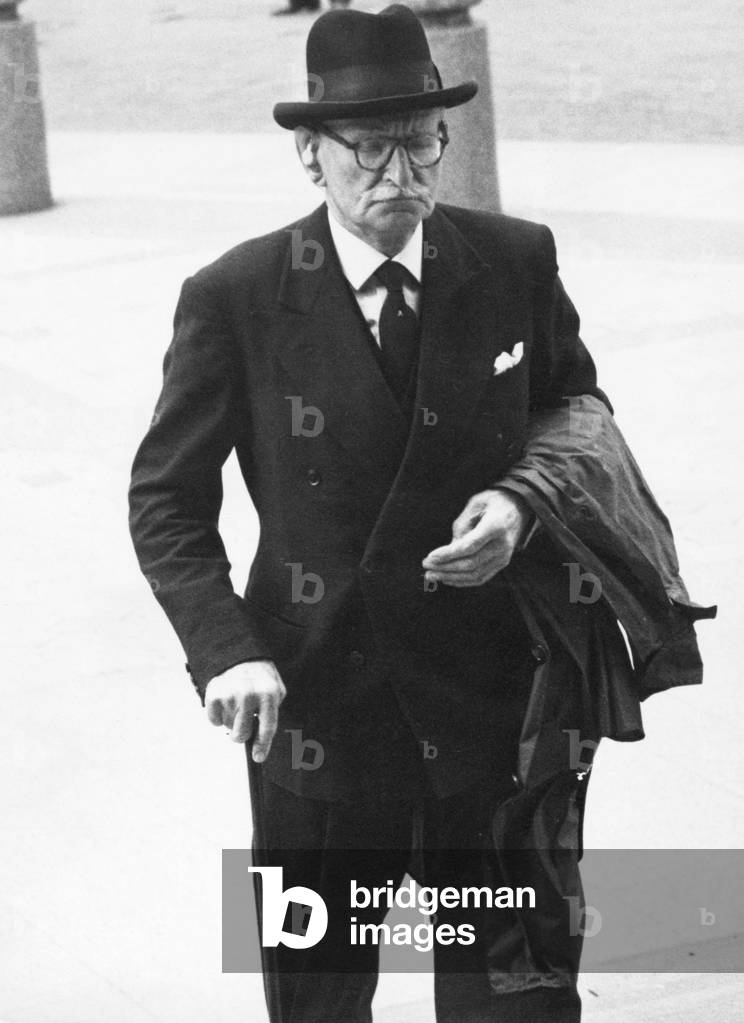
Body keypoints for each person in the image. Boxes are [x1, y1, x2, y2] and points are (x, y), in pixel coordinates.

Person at [128, 5, 712, 1021]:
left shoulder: (513, 259)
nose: (403, 175)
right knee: (319, 997)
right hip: (319, 709)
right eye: (370, 150)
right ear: (310, 155)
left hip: (497, 703)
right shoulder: (237, 294)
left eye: (422, 142)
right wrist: (227, 652)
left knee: (516, 994)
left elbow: (577, 412)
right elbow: (166, 498)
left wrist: (522, 505)